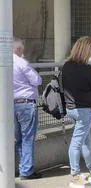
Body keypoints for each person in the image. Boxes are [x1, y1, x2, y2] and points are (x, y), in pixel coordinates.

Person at [62, 36, 91, 185]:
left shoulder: (66, 66)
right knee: (77, 142)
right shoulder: (88, 70)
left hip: (71, 109)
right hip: (85, 111)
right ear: (87, 51)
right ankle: (75, 174)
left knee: (85, 140)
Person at [13, 37, 42, 180]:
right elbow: (37, 80)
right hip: (26, 104)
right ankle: (26, 171)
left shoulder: (5, 63)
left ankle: (21, 168)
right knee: (28, 138)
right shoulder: (21, 62)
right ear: (18, 49)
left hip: (10, 105)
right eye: (22, 49)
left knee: (18, 139)